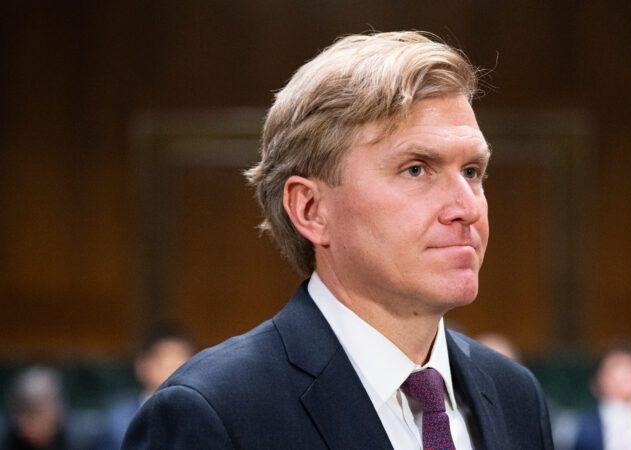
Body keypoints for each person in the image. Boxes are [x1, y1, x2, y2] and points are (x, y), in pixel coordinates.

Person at [122, 31, 554, 449]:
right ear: (311, 209)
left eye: (472, 172)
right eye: (416, 169)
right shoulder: (212, 412)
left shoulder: (516, 395)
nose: (467, 207)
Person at [97, 325, 194, 450]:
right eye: (166, 364)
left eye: (183, 364)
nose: (175, 372)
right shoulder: (116, 421)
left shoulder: (202, 418)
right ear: (142, 365)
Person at [1, 366, 93, 450]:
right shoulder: (6, 439)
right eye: (28, 416)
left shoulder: (83, 439)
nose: (35, 425)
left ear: (58, 409)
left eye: (40, 414)